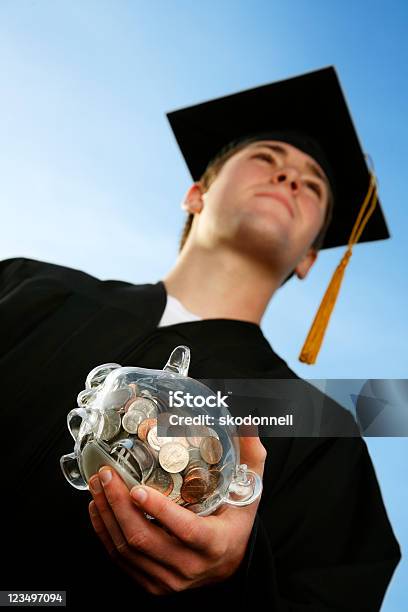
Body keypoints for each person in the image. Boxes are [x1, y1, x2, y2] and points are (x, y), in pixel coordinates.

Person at [0, 67, 400, 610]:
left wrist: (235, 579)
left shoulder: (318, 427)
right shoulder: (24, 286)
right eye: (267, 158)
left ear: (310, 257)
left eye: (313, 184)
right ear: (196, 194)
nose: (290, 179)